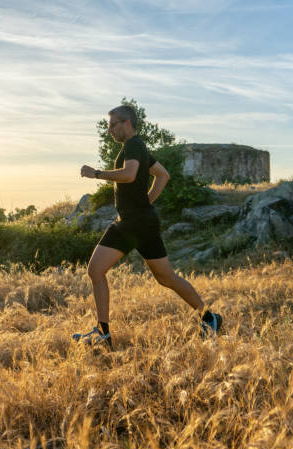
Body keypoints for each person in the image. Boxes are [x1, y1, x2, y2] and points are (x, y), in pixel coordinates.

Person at [73, 105, 222, 348]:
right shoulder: (136, 147)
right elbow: (163, 175)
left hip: (135, 224)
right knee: (161, 277)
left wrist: (96, 173)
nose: (109, 129)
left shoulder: (133, 145)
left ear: (127, 123)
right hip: (138, 222)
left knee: (105, 271)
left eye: (113, 124)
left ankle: (103, 333)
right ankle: (209, 318)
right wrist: (146, 202)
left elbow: (130, 175)